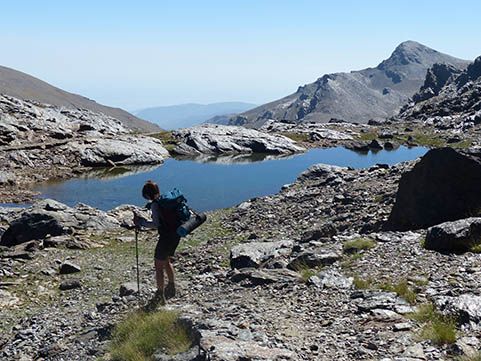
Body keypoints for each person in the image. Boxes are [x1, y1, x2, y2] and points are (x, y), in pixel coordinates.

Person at [133, 180, 180, 305]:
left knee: (158, 267)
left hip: (165, 237)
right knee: (167, 261)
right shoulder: (166, 200)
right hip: (176, 235)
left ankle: (160, 295)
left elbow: (156, 224)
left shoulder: (156, 205)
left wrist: (141, 222)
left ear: (148, 195)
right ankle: (171, 286)